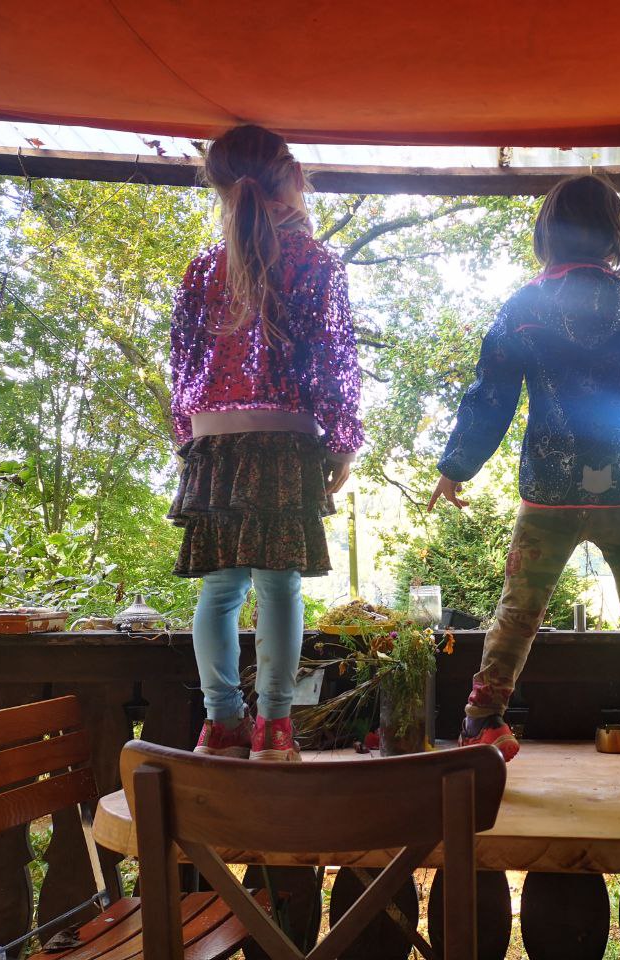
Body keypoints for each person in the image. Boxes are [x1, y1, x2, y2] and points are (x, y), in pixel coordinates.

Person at [429, 174, 620, 774]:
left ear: (548, 233)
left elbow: (490, 396)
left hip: (549, 489)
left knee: (519, 608)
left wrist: (456, 466)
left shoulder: (523, 308)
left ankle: (483, 719)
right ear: (613, 234)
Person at [169, 124, 363, 761]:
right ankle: (275, 728)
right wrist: (342, 439)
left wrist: (188, 441)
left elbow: (182, 366)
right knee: (279, 588)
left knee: (219, 590)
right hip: (284, 440)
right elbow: (333, 362)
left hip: (214, 443)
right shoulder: (315, 262)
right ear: (294, 177)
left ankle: (220, 723)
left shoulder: (203, 267)